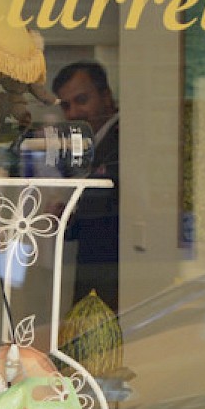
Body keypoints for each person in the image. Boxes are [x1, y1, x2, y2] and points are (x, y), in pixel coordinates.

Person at [52, 61, 119, 312]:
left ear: (106, 96)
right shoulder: (87, 145)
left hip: (116, 273)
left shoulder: (124, 139)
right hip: (92, 271)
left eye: (81, 100)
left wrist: (74, 213)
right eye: (66, 106)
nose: (73, 113)